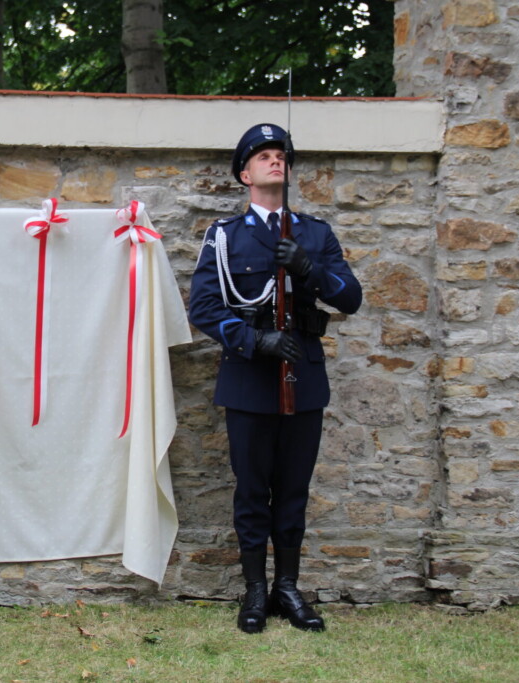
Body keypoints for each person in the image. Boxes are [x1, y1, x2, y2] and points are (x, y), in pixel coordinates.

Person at [188, 123, 362, 634]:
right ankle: (256, 591)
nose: (274, 160)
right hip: (249, 378)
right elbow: (202, 307)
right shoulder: (225, 236)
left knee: (293, 490)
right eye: (262, 156)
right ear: (245, 173)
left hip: (302, 377)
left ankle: (288, 587)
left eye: (280, 154)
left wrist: (309, 268)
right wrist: (254, 341)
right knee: (251, 490)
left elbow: (349, 297)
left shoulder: (314, 233)